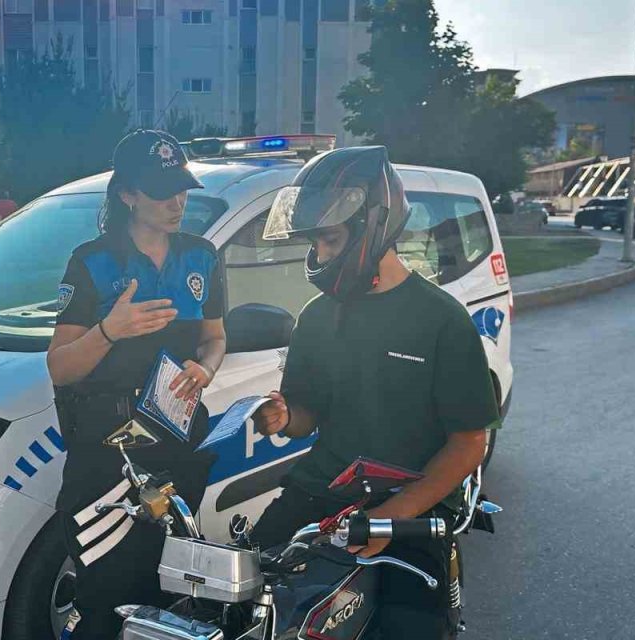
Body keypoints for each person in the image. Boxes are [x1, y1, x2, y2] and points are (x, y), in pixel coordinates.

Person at [250, 146, 501, 639]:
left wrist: (388, 518)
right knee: (246, 599)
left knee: (410, 629)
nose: (321, 255)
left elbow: (470, 443)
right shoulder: (317, 316)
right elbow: (306, 411)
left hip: (413, 507)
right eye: (315, 242)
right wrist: (283, 417)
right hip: (323, 489)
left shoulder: (441, 320)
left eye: (330, 240)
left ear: (372, 226)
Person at [45, 130, 227, 639]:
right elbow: (60, 368)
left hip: (179, 446)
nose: (177, 203)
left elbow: (215, 339)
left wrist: (206, 369)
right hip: (109, 454)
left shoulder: (202, 256)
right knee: (106, 596)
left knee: (167, 592)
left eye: (182, 189)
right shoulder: (93, 261)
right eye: (161, 191)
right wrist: (110, 330)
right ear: (126, 194)